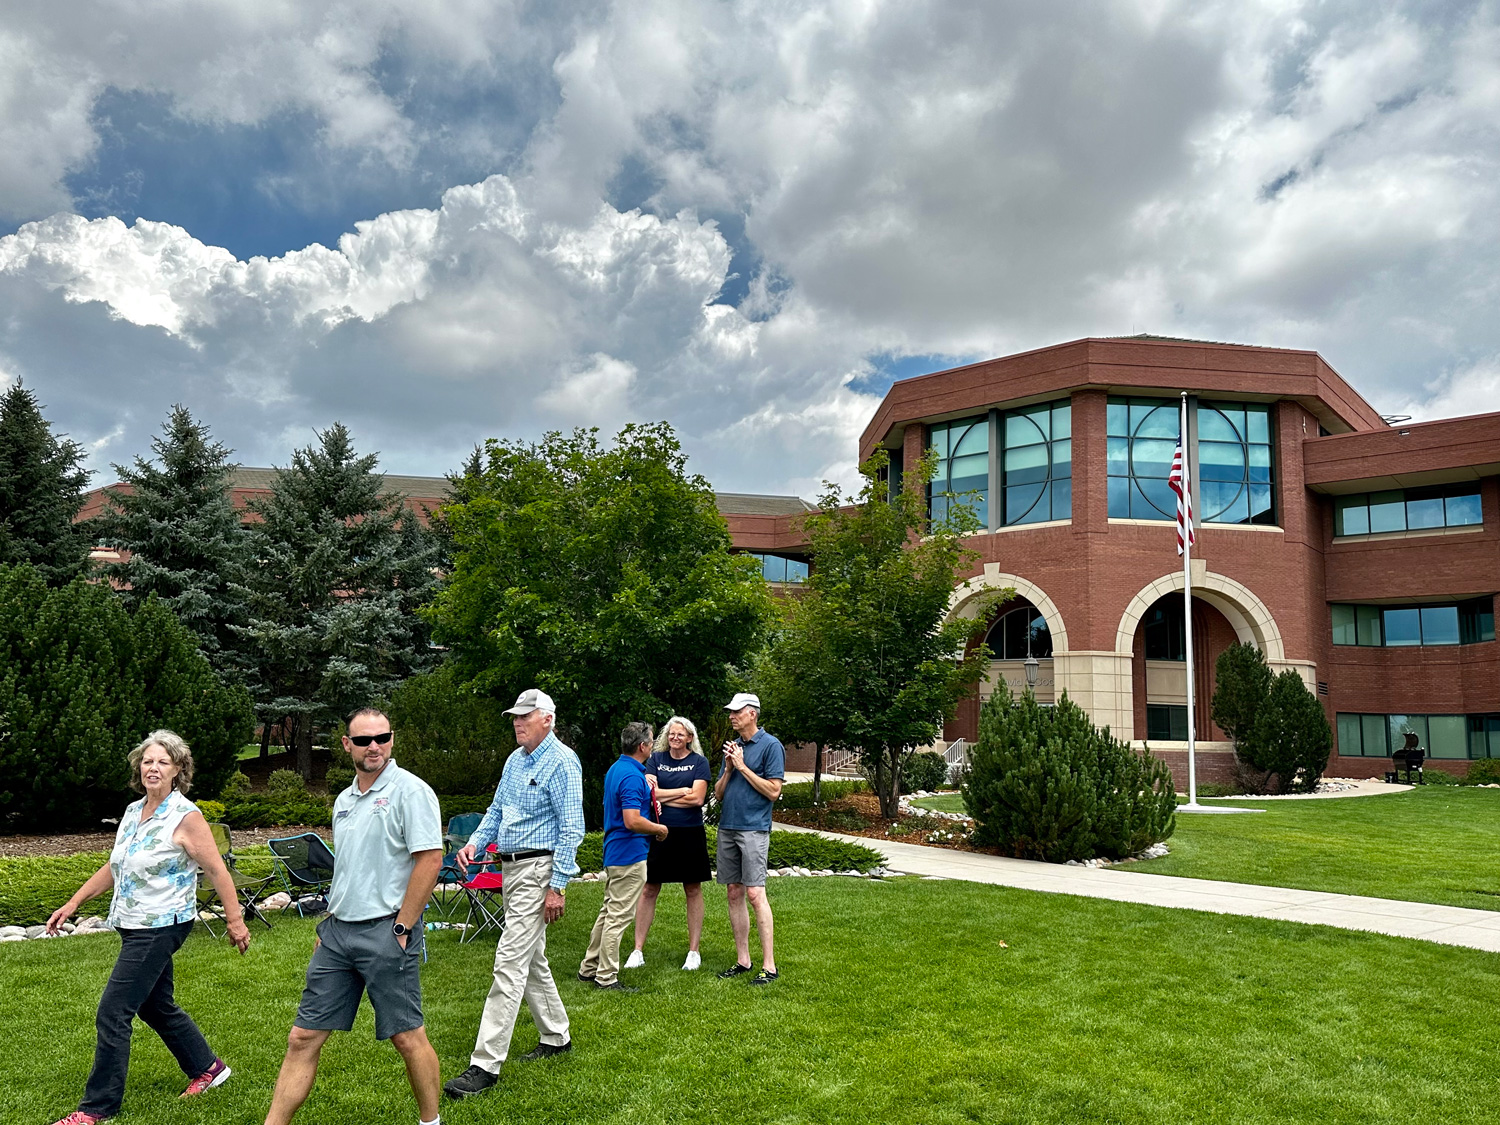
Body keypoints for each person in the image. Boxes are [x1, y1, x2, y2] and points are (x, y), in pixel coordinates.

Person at [45, 730, 252, 1125]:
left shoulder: (186, 817)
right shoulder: (132, 810)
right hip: (133, 922)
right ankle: (208, 1068)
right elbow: (115, 865)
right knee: (155, 1005)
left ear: (178, 770)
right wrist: (74, 902)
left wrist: (235, 920)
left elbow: (216, 870)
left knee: (113, 1011)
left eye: (162, 762)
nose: (152, 768)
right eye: (147, 761)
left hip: (161, 925)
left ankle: (96, 1108)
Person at [264, 708, 444, 1125]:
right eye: (363, 740)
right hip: (337, 935)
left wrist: (402, 926)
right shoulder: (345, 799)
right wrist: (329, 921)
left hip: (386, 931)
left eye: (381, 737)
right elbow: (349, 867)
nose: (374, 746)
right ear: (347, 745)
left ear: (392, 740)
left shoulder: (411, 791)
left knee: (406, 1036)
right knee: (303, 1036)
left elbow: (431, 860)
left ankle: (431, 1122)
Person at [444, 688, 585, 1101]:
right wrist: (476, 843)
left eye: (526, 716)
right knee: (531, 958)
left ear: (548, 719)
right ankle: (556, 1036)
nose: (517, 722)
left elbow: (572, 828)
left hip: (538, 869)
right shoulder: (514, 759)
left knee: (509, 961)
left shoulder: (562, 762)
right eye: (515, 716)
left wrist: (557, 885)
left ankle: (485, 1065)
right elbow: (497, 809)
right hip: (510, 867)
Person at [579, 721, 669, 991]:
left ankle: (589, 967)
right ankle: (606, 977)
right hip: (629, 853)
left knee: (608, 912)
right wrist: (659, 828)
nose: (653, 745)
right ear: (642, 746)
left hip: (615, 851)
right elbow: (631, 820)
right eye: (652, 741)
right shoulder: (631, 775)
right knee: (618, 917)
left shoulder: (618, 769)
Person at [626, 716, 712, 971]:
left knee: (693, 889)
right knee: (649, 889)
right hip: (658, 832)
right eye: (672, 734)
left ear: (690, 738)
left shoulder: (699, 762)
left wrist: (664, 797)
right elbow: (648, 794)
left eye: (681, 735)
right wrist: (681, 791)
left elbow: (697, 799)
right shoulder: (655, 760)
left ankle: (693, 952)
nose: (675, 738)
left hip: (690, 832)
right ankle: (637, 950)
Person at [713, 692, 785, 985]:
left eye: (736, 711)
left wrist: (743, 767)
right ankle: (743, 960)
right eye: (730, 711)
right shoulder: (733, 748)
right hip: (728, 826)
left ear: (752, 713)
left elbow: (773, 791)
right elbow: (718, 794)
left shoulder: (771, 746)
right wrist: (730, 769)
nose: (731, 716)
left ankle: (769, 966)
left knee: (755, 894)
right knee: (733, 892)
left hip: (754, 828)